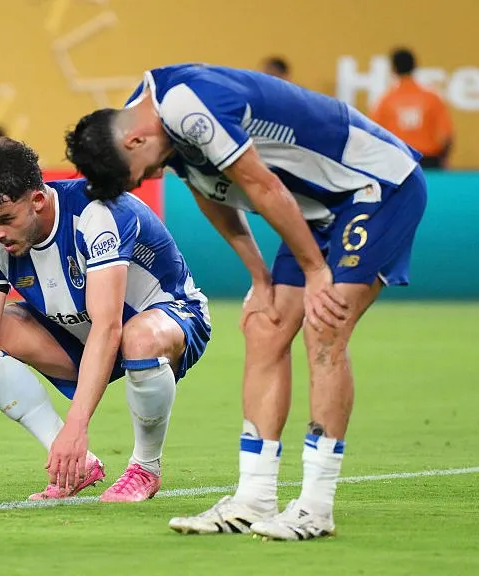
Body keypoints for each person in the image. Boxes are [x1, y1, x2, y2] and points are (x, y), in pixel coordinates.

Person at [64, 63, 427, 540]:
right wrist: (259, 276)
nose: (144, 180)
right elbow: (208, 192)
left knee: (325, 326)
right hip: (316, 210)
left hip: (375, 187)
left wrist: (317, 272)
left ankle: (315, 507)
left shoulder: (185, 107)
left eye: (139, 174)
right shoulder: (147, 118)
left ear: (133, 141)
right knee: (266, 325)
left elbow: (262, 186)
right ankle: (254, 499)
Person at [0, 138, 211, 504]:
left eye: (6, 220)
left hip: (168, 318)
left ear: (37, 199)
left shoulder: (97, 213)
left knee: (138, 338)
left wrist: (76, 425)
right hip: (80, 335)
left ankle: (145, 468)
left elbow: (108, 325)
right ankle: (76, 465)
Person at [370, 47, 454, 169]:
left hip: (398, 162)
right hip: (429, 162)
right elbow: (447, 135)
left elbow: (374, 135)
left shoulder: (385, 100)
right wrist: (444, 159)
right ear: (415, 66)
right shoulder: (431, 97)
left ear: (393, 69)